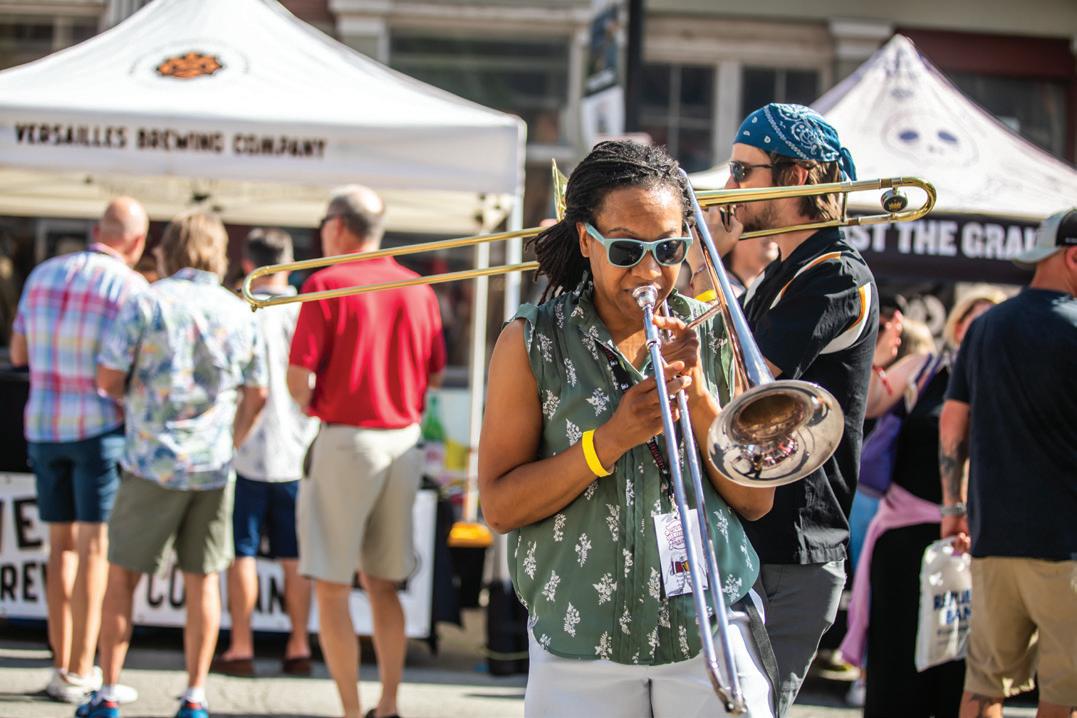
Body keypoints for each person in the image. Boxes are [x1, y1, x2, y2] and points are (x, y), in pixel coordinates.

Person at [479, 140, 778, 717]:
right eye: (625, 249)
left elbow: (756, 500)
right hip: (580, 643)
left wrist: (697, 395)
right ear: (585, 239)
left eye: (668, 248)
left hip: (710, 621)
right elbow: (499, 506)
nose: (649, 271)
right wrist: (610, 440)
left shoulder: (713, 329)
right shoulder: (531, 341)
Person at [705, 103, 879, 715]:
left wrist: (710, 255)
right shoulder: (783, 271)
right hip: (754, 532)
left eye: (741, 170)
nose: (730, 186)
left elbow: (746, 383)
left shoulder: (835, 275)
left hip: (793, 543)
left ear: (797, 177)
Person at [82, 212, 268, 718]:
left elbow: (107, 377)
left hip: (151, 459)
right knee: (203, 581)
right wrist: (232, 438)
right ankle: (195, 695)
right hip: (212, 466)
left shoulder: (147, 301)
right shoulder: (238, 309)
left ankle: (108, 690)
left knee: (122, 578)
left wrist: (136, 399)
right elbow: (258, 393)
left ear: (169, 249)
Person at [288, 186, 446, 718]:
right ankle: (389, 703)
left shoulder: (325, 282)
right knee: (384, 584)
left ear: (337, 226)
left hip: (347, 438)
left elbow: (298, 378)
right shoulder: (418, 288)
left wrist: (315, 403)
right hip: (402, 440)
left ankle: (353, 711)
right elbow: (435, 373)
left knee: (331, 585)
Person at [9, 198, 148, 704]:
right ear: (136, 242)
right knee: (93, 549)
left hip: (45, 425)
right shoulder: (130, 286)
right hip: (98, 427)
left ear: (96, 230)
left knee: (60, 547)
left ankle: (61, 665)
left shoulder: (44, 274)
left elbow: (19, 353)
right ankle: (81, 667)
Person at [940, 208, 1077, 718]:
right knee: (1066, 696)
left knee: (983, 685)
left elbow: (952, 424)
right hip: (1066, 545)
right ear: (1073, 257)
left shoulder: (985, 327)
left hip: (993, 536)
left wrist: (953, 508)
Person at [840, 293, 1004, 718]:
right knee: (898, 669)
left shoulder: (1010, 382)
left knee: (962, 676)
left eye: (992, 323)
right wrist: (876, 359)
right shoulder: (926, 368)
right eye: (974, 321)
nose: (981, 331)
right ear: (957, 326)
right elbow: (867, 405)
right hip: (906, 543)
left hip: (977, 546)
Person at [212, 229, 318, 678]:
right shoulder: (306, 309)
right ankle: (298, 644)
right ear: (288, 263)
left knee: (243, 550)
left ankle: (241, 645)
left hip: (243, 448)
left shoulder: (238, 308)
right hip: (297, 448)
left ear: (247, 263)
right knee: (294, 555)